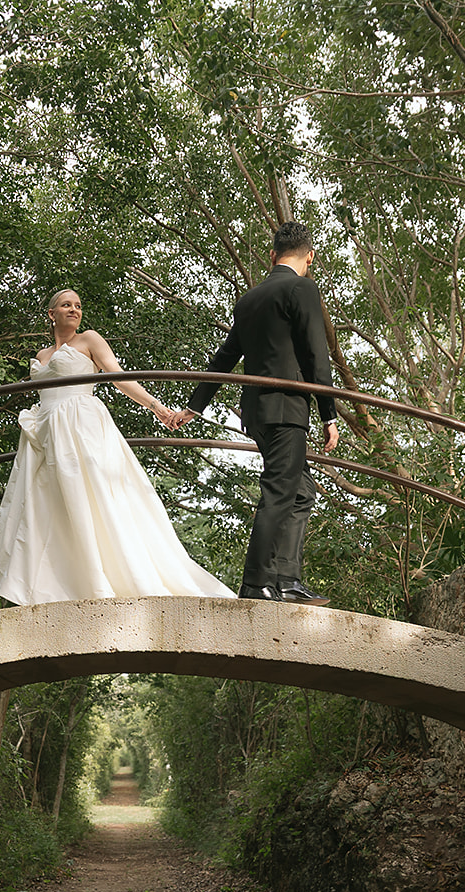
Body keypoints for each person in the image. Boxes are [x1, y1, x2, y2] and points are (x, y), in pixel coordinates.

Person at [0, 289, 235, 605]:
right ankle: (63, 586)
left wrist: (157, 407)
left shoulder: (89, 340)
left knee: (92, 496)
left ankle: (105, 581)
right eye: (66, 305)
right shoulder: (42, 356)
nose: (74, 309)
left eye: (78, 305)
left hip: (80, 427)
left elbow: (119, 377)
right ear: (51, 313)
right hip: (45, 433)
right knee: (49, 506)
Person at [175, 222, 339, 605]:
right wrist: (328, 414)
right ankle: (256, 585)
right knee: (281, 492)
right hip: (287, 408)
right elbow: (317, 353)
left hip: (258, 413)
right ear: (309, 257)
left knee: (300, 491)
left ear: (272, 255)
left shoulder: (249, 299)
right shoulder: (302, 287)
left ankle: (287, 580)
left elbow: (225, 357)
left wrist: (195, 406)